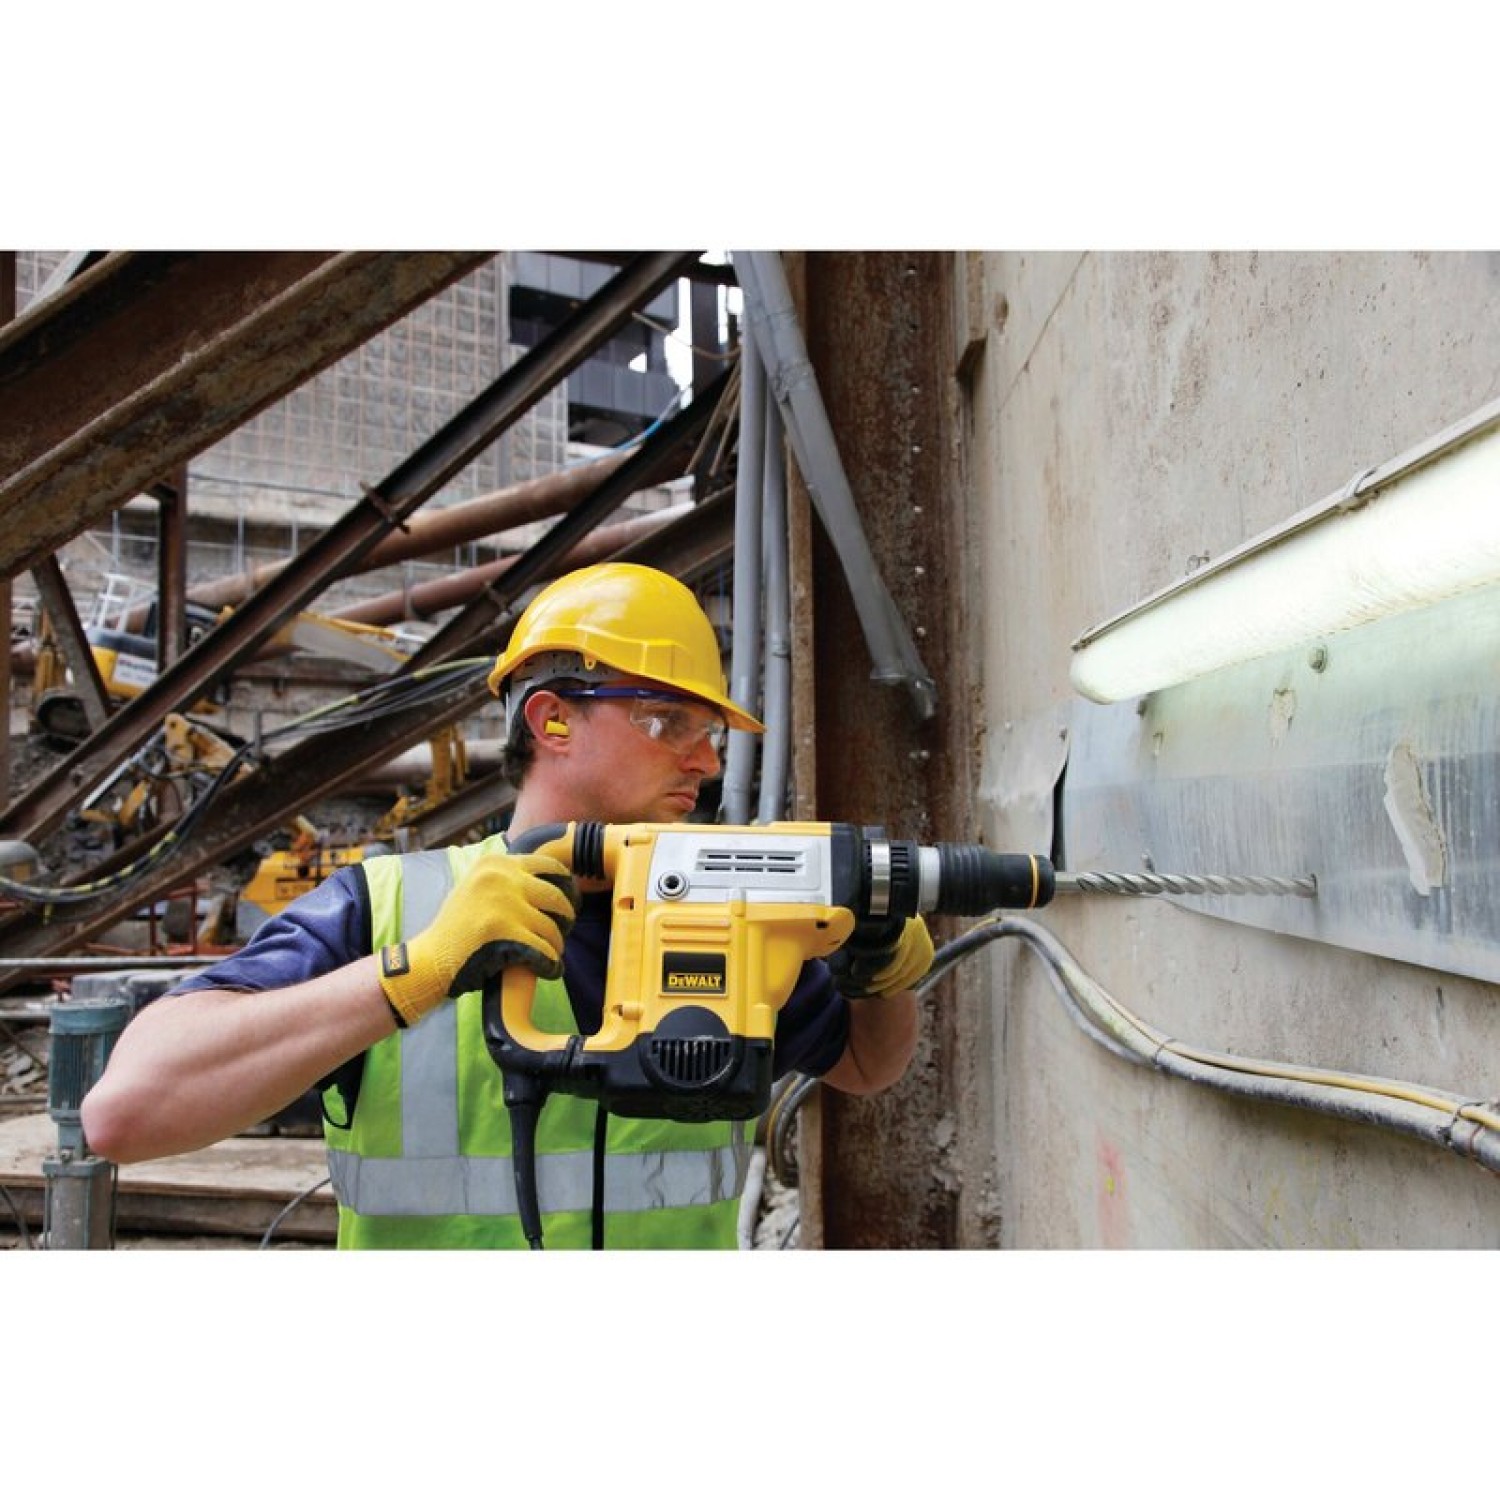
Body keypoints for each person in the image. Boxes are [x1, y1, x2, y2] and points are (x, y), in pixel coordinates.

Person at [81, 562, 931, 1249]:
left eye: (709, 733)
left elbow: (865, 1066)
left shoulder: (723, 908)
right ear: (553, 722)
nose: (706, 762)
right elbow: (125, 1114)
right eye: (669, 722)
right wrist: (417, 971)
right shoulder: (392, 909)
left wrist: (880, 970)